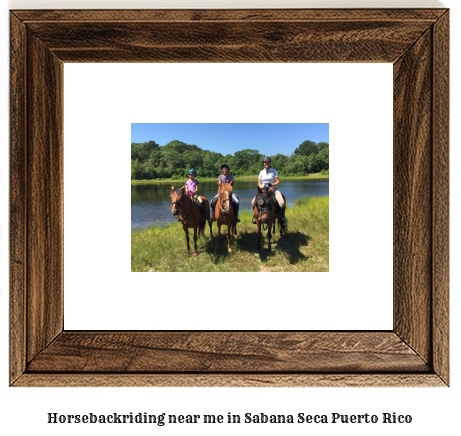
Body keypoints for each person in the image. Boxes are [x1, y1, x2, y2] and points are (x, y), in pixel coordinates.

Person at [251, 156, 287, 227]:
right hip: (263, 190)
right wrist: (262, 188)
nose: (266, 164)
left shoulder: (274, 171)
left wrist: (272, 185)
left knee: (282, 202)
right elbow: (259, 183)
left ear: (270, 163)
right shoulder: (261, 172)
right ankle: (256, 217)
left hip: (273, 189)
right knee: (253, 202)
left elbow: (278, 181)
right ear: (263, 164)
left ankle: (282, 218)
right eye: (265, 162)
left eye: (267, 162)